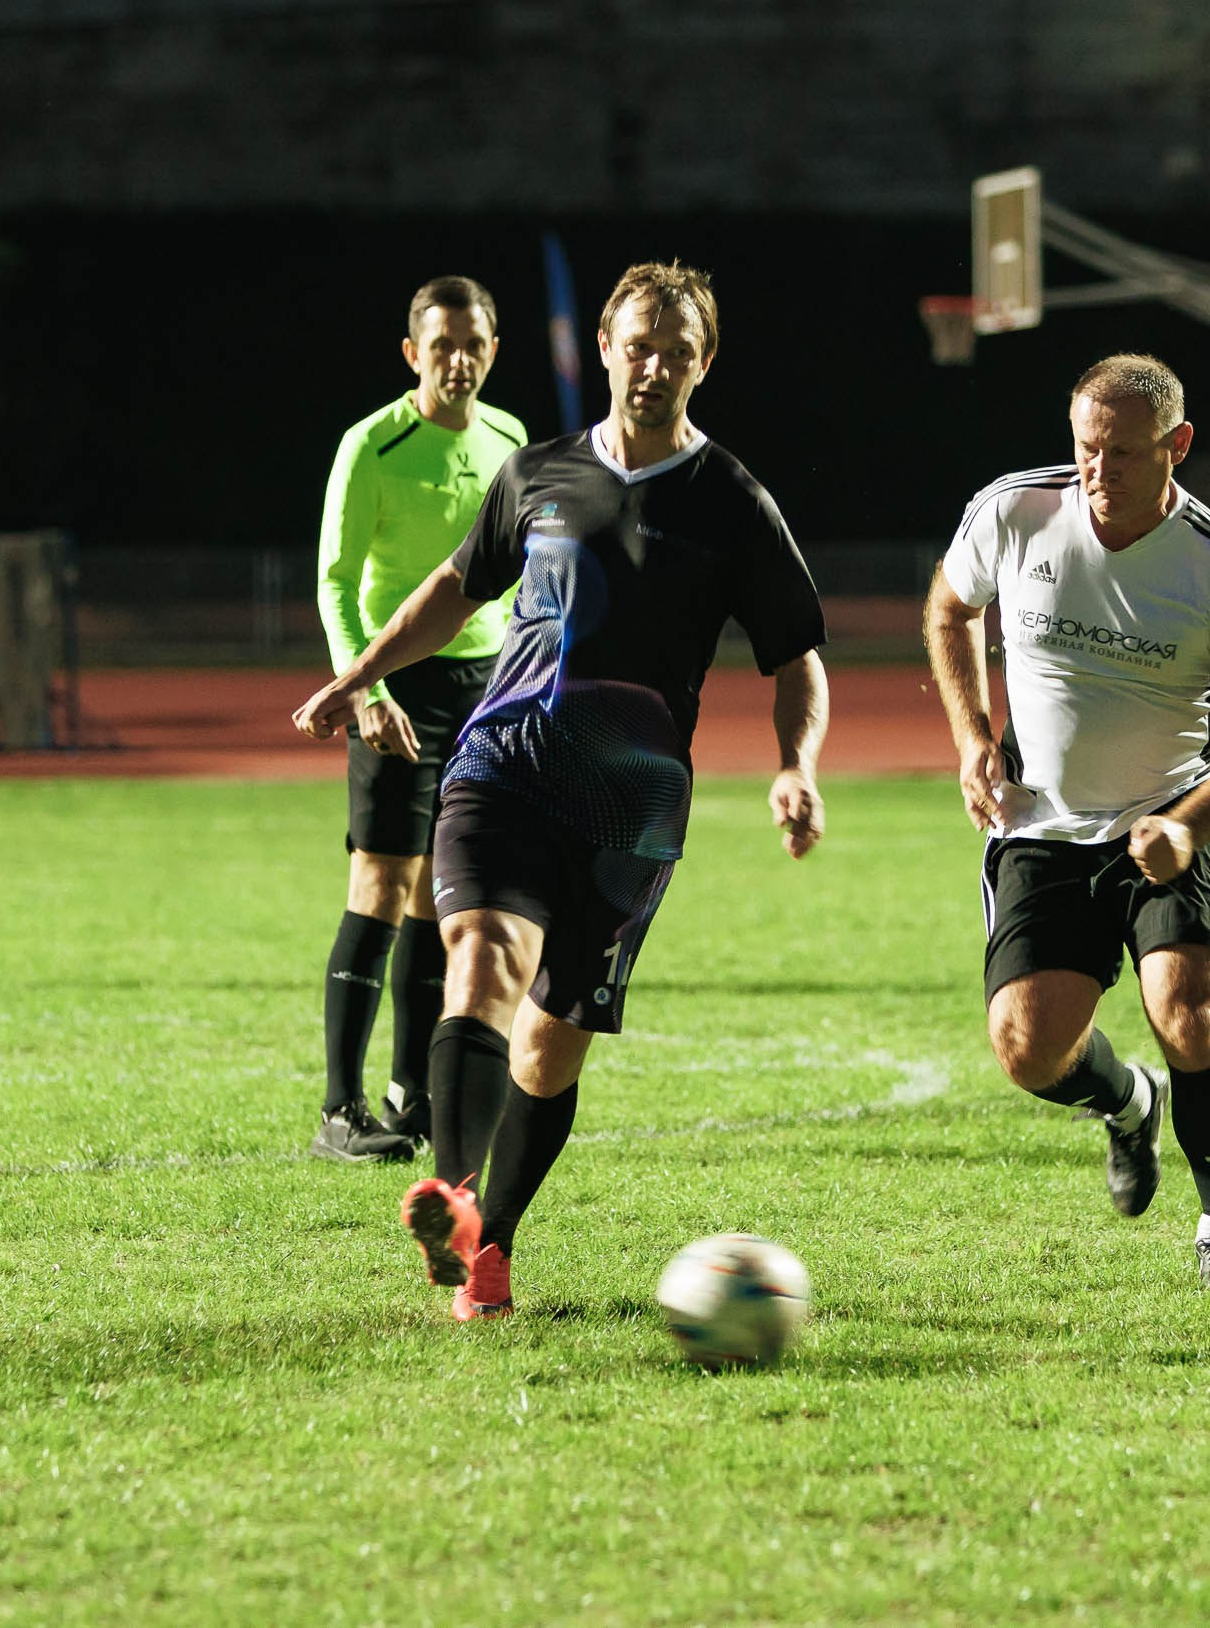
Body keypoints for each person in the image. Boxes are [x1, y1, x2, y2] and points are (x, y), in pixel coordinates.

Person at [293, 261, 830, 1320]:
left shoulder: (731, 501)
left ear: (704, 362)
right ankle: (449, 1192)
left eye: (678, 350)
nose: (656, 365)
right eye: (639, 344)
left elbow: (796, 655)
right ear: (605, 347)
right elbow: (455, 587)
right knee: (481, 960)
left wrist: (795, 765)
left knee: (548, 1045)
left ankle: (492, 1241)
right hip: (502, 762)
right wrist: (358, 676)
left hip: (629, 807)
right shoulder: (536, 474)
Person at [924, 354, 1210, 1290]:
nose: (1100, 470)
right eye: (1088, 447)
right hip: (1040, 825)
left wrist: (1190, 825)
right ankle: (1128, 1102)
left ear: (1179, 445)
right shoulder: (1014, 511)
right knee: (1026, 1047)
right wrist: (973, 737)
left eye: (1124, 452)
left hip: (1172, 818)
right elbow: (949, 607)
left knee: (1188, 1009)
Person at [306, 276, 530, 1164]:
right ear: (413, 353)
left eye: (473, 342)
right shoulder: (372, 444)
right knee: (383, 886)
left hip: (488, 691)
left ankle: (412, 1095)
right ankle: (338, 1109)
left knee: (455, 895)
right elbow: (334, 578)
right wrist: (365, 690)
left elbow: (517, 579)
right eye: (441, 345)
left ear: (493, 349)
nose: (459, 359)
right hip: (398, 690)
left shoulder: (511, 440)